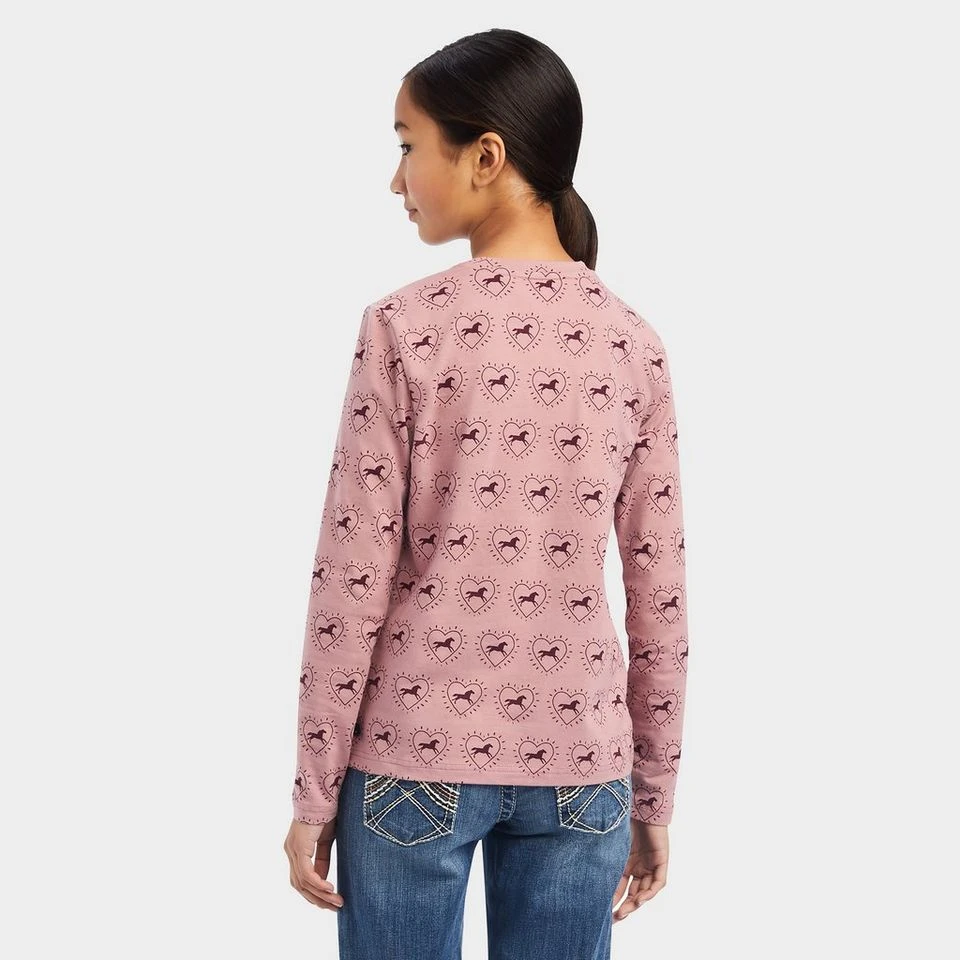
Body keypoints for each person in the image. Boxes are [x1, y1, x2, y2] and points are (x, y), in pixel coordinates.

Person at [283, 27, 690, 960]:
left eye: (407, 145)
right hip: (583, 765)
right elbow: (660, 592)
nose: (396, 179)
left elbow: (351, 578)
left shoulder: (404, 329)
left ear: (486, 156)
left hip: (410, 757)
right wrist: (654, 792)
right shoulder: (633, 344)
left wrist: (313, 787)